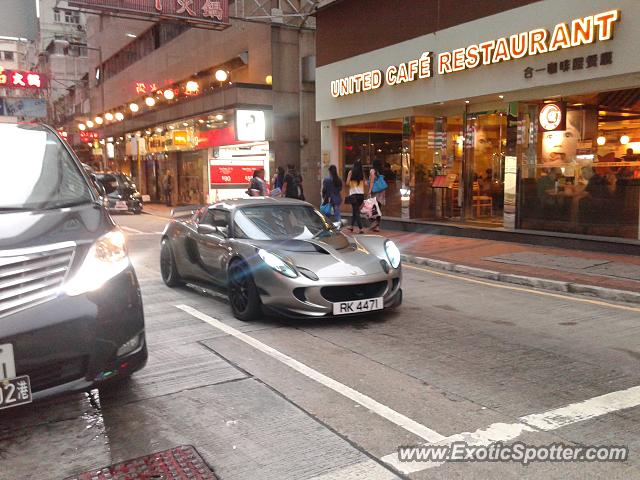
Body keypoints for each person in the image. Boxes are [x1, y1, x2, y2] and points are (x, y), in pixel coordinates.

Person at [346, 159, 365, 233]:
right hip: (361, 195)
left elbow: (347, 183)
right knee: (355, 211)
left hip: (353, 195)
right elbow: (365, 183)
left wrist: (349, 177)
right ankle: (351, 226)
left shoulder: (351, 172)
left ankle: (361, 228)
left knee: (356, 212)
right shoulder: (362, 173)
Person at [368, 159, 385, 232]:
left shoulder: (372, 171)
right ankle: (377, 226)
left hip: (375, 191)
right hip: (381, 191)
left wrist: (369, 190)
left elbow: (372, 181)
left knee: (371, 208)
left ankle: (374, 222)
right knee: (378, 208)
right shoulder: (381, 171)